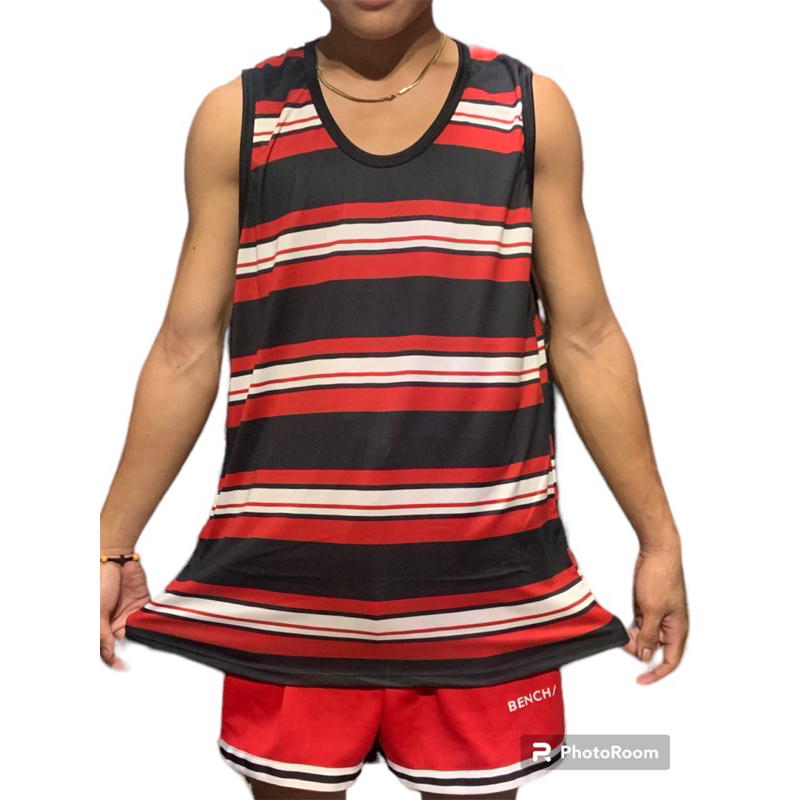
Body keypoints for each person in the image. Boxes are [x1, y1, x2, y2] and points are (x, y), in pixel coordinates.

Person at [100, 1, 689, 798]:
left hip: (485, 595)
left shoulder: (526, 111)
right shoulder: (239, 118)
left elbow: (586, 337)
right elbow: (185, 349)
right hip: (292, 594)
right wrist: (112, 544)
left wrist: (658, 539)